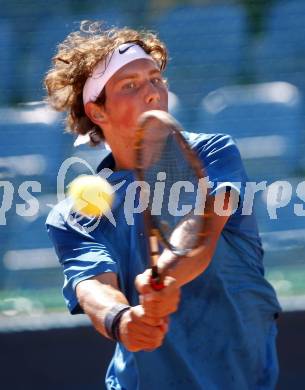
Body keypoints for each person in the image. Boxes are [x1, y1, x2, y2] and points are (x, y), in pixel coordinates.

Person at [45, 21, 281, 389]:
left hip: (240, 376)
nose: (153, 92)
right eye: (131, 85)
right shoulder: (71, 217)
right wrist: (123, 320)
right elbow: (91, 286)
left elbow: (201, 228)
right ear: (97, 111)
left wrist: (164, 274)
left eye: (156, 79)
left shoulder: (213, 152)